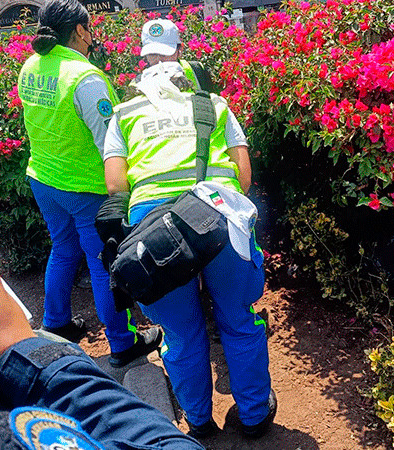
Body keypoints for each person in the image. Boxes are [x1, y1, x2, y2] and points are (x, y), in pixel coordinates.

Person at [103, 61, 276, 439]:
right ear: (188, 83)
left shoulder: (122, 115)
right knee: (239, 320)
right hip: (218, 214)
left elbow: (116, 184)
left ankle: (199, 421)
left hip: (155, 234)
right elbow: (243, 178)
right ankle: (254, 415)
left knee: (180, 332)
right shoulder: (215, 104)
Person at [0, 254, 204, 449]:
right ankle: (121, 341)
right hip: (79, 185)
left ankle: (73, 325)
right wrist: (16, 349)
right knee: (95, 260)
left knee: (62, 250)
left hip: (49, 180)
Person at [17, 0, 160, 368]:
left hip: (44, 180)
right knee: (102, 264)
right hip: (85, 188)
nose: (92, 32)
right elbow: (107, 141)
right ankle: (123, 343)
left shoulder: (31, 66)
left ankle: (56, 325)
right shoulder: (85, 77)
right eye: (89, 27)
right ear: (80, 31)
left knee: (63, 251)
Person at [138, 19, 215, 93]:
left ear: (180, 49)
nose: (159, 60)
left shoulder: (197, 71)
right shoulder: (137, 84)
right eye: (153, 54)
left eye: (165, 53)